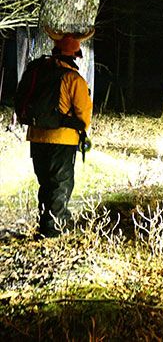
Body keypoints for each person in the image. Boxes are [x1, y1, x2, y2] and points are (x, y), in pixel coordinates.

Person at [25, 30, 93, 238]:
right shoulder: (73, 79)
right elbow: (84, 117)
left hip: (37, 137)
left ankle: (46, 222)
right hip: (62, 140)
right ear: (75, 55)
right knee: (61, 184)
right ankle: (53, 229)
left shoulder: (39, 72)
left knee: (45, 182)